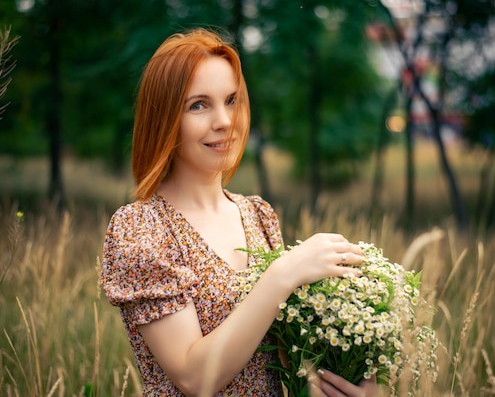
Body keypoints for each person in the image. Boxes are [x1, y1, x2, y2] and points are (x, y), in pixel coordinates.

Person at [101, 27, 378, 397]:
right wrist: (285, 272)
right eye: (199, 105)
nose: (224, 121)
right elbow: (194, 377)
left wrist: (344, 387)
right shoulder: (142, 228)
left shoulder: (257, 215)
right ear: (165, 117)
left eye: (232, 100)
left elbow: (279, 369)